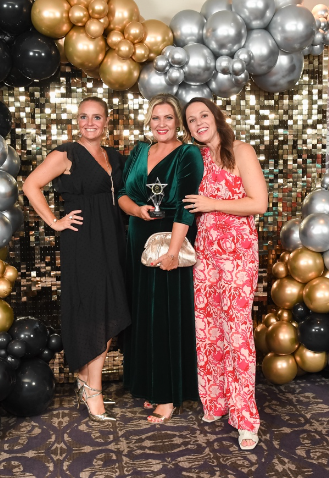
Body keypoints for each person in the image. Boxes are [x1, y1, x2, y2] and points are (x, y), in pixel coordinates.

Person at [22, 97, 130, 423]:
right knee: (94, 308)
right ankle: (93, 390)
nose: (89, 123)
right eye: (84, 117)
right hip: (83, 240)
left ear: (107, 121)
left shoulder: (113, 156)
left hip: (112, 238)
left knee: (110, 306)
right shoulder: (66, 154)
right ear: (77, 121)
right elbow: (30, 185)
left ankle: (85, 381)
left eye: (96, 117)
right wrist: (55, 222)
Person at [182, 97, 268, 450]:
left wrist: (212, 204)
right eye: (191, 119)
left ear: (216, 118)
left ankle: (245, 418)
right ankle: (215, 402)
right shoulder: (194, 157)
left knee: (237, 332)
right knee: (208, 329)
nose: (198, 122)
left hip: (238, 253)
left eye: (203, 115)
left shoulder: (241, 151)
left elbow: (259, 203)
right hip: (204, 252)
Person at [118, 94, 204, 424]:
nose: (162, 124)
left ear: (178, 121)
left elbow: (187, 206)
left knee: (165, 315)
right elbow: (122, 194)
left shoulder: (188, 153)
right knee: (144, 314)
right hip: (138, 238)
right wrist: (136, 210)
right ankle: (151, 385)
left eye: (168, 117)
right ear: (149, 121)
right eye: (156, 117)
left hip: (170, 239)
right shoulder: (139, 151)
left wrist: (172, 253)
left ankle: (168, 395)